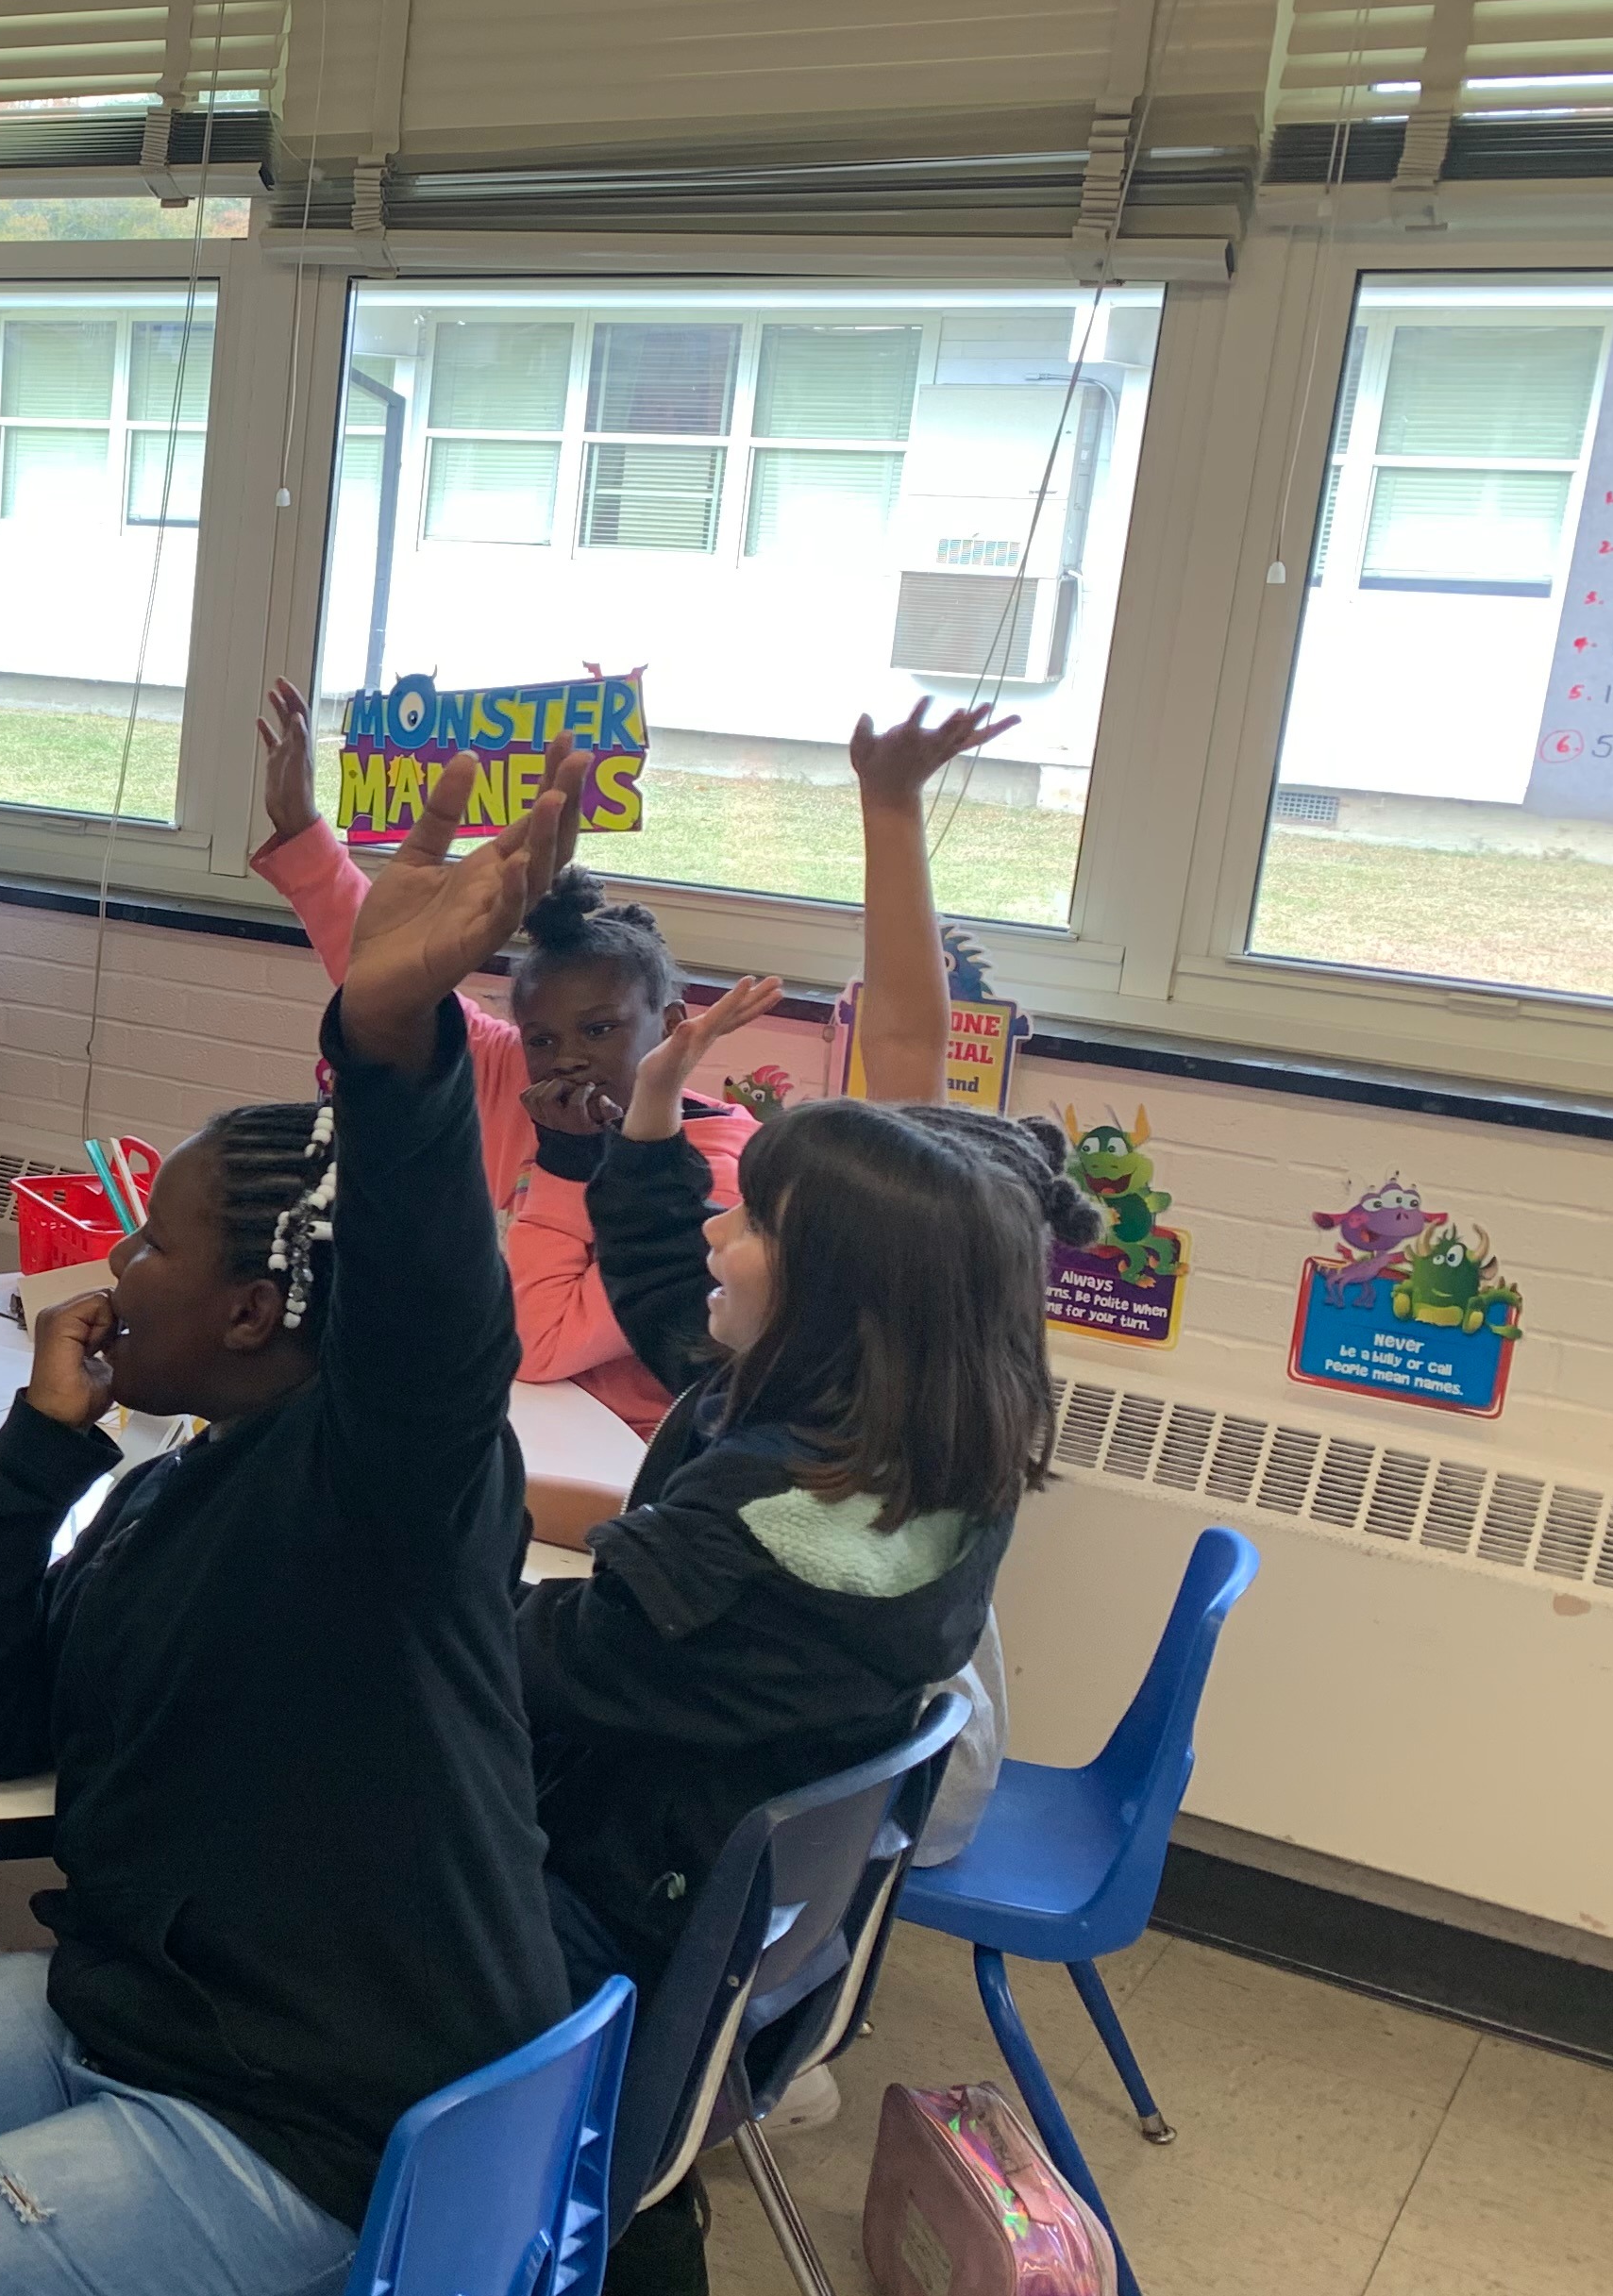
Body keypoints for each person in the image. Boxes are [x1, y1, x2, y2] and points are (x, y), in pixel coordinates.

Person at [0, 753, 596, 2296]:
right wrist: (38, 1448)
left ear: (249, 1304)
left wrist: (387, 1033)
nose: (115, 1261)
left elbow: (437, 1316)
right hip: (156, 2010)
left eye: (152, 1234)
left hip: (326, 2119)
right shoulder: (169, 1482)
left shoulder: (393, 1483)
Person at [514, 703, 1068, 2285]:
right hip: (775, 1876)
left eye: (745, 1215)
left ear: (826, 1282)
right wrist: (888, 817)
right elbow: (894, 1110)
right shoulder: (928, 1400)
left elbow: (566, 1663)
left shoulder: (759, 1506)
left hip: (650, 1885)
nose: (713, 1223)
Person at [247, 677, 753, 1433]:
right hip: (514, 1418)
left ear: (673, 1027)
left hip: (625, 1453)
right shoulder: (506, 1068)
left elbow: (540, 1342)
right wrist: (303, 830)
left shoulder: (718, 1166)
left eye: (603, 1029)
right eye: (544, 1038)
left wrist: (564, 1159)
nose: (568, 1059)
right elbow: (389, 973)